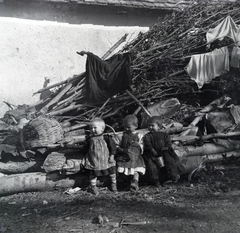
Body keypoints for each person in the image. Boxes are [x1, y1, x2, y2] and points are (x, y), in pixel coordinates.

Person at [143, 116, 183, 187]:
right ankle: (155, 181)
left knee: (169, 163)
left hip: (164, 152)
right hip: (152, 154)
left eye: (152, 125)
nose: (150, 127)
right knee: (152, 166)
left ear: (159, 126)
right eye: (149, 126)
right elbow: (147, 144)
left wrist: (166, 147)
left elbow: (168, 142)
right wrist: (152, 150)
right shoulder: (147, 136)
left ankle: (172, 176)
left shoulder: (164, 135)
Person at [84, 118, 117, 195]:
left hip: (106, 159)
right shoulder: (90, 139)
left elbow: (113, 147)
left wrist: (112, 156)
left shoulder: (107, 138)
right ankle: (93, 186)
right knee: (93, 174)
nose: (92, 130)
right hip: (94, 159)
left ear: (102, 129)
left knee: (112, 172)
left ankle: (114, 184)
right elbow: (85, 149)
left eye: (95, 128)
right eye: (91, 128)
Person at [116, 115, 146, 191]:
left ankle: (135, 181)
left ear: (136, 126)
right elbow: (117, 144)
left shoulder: (139, 135)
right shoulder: (122, 135)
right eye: (125, 127)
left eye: (128, 127)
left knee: (136, 170)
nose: (126, 129)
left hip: (135, 156)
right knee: (125, 170)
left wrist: (139, 145)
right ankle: (126, 183)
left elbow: (142, 145)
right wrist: (119, 148)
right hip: (125, 156)